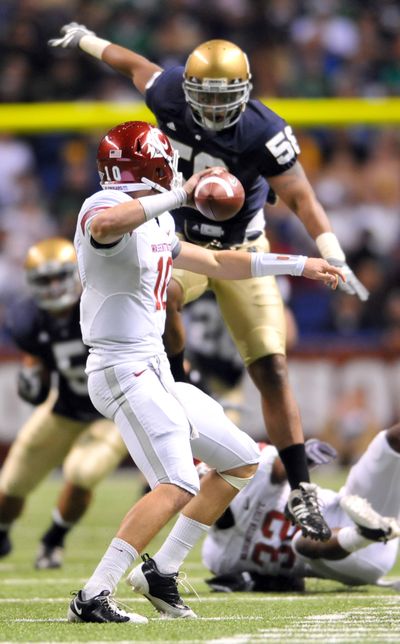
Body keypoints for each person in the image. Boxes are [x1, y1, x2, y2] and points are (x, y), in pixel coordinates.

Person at [48, 24, 369, 542]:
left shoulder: (264, 131)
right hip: (184, 242)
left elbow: (303, 198)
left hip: (243, 247)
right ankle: (176, 375)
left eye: (226, 99)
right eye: (205, 97)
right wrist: (86, 39)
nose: (216, 109)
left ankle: (303, 490)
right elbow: (133, 64)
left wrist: (330, 251)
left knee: (272, 364)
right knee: (166, 292)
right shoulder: (170, 92)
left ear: (246, 92)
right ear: (188, 90)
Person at [67, 119, 344, 624]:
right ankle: (94, 594)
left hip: (152, 367)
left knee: (241, 460)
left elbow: (218, 264)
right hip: (120, 366)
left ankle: (161, 572)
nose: (176, 167)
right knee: (176, 482)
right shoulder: (102, 207)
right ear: (150, 164)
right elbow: (106, 228)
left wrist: (298, 265)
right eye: (166, 162)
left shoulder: (156, 221)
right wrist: (178, 195)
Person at [0, 237, 128, 569]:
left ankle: (53, 540)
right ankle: (1, 533)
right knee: (11, 482)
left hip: (110, 412)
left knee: (83, 472)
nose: (55, 287)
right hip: (65, 406)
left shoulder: (104, 302)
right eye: (45, 280)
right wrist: (33, 378)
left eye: (61, 277)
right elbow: (38, 366)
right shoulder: (27, 319)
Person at [201, 424, 400, 593]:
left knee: (388, 442)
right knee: (303, 539)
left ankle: (374, 528)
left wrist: (302, 456)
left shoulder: (246, 474)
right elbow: (291, 583)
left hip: (355, 509)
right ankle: (365, 533)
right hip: (342, 557)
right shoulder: (216, 556)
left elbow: (277, 468)